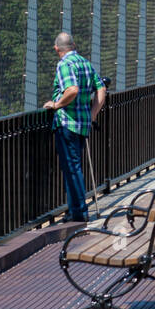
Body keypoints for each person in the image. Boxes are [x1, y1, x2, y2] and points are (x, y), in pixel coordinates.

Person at [43, 32, 106, 222]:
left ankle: (78, 212)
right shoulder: (84, 62)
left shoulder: (64, 64)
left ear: (56, 49)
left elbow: (72, 90)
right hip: (83, 123)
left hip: (68, 123)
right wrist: (92, 114)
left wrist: (56, 104)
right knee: (75, 166)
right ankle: (74, 210)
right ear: (74, 44)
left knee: (71, 168)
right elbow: (101, 88)